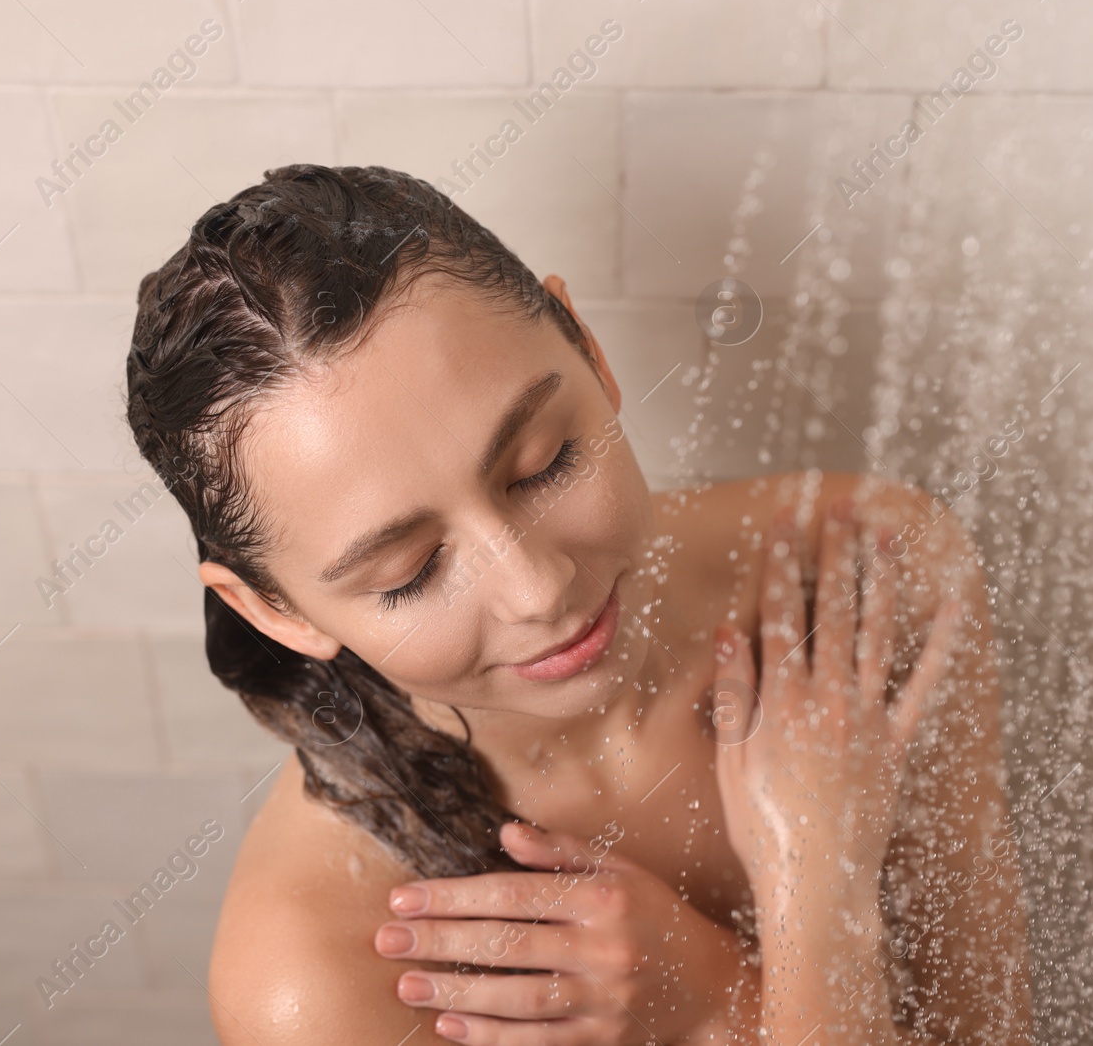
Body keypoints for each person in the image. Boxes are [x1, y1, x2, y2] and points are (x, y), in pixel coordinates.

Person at [125, 164, 1033, 1045]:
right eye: (408, 571)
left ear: (590, 352)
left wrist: (758, 951)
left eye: (544, 463)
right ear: (278, 612)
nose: (540, 587)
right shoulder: (313, 973)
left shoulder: (863, 576)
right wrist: (784, 946)